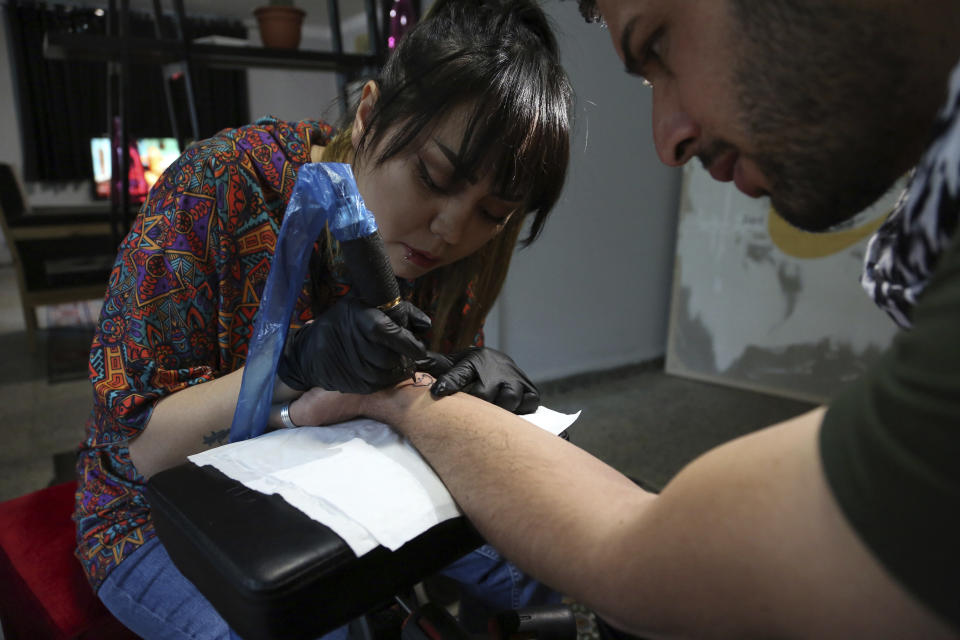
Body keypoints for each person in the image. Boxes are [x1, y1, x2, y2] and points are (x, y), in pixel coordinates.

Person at [297, 0, 960, 637]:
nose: (666, 142)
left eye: (659, 46)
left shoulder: (462, 259)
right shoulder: (237, 185)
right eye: (435, 176)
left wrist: (408, 398)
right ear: (370, 116)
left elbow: (656, 556)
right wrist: (303, 368)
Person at [72, 0, 572, 636]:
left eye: (492, 213)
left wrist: (464, 388)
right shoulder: (219, 187)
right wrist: (290, 364)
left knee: (539, 551)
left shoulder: (451, 249)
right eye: (433, 176)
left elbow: (403, 396)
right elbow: (140, 450)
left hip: (337, 471)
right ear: (368, 115)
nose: (450, 230)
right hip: (152, 513)